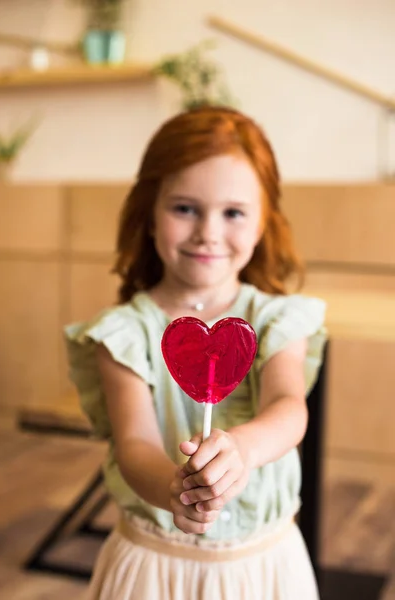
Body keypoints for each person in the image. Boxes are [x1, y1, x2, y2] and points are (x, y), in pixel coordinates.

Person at [65, 106, 326, 600]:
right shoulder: (125, 332)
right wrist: (173, 487)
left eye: (233, 212)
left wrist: (244, 449)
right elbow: (135, 445)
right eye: (184, 208)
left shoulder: (276, 320)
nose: (208, 231)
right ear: (148, 213)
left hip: (262, 567)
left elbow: (288, 407)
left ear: (263, 223)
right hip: (154, 569)